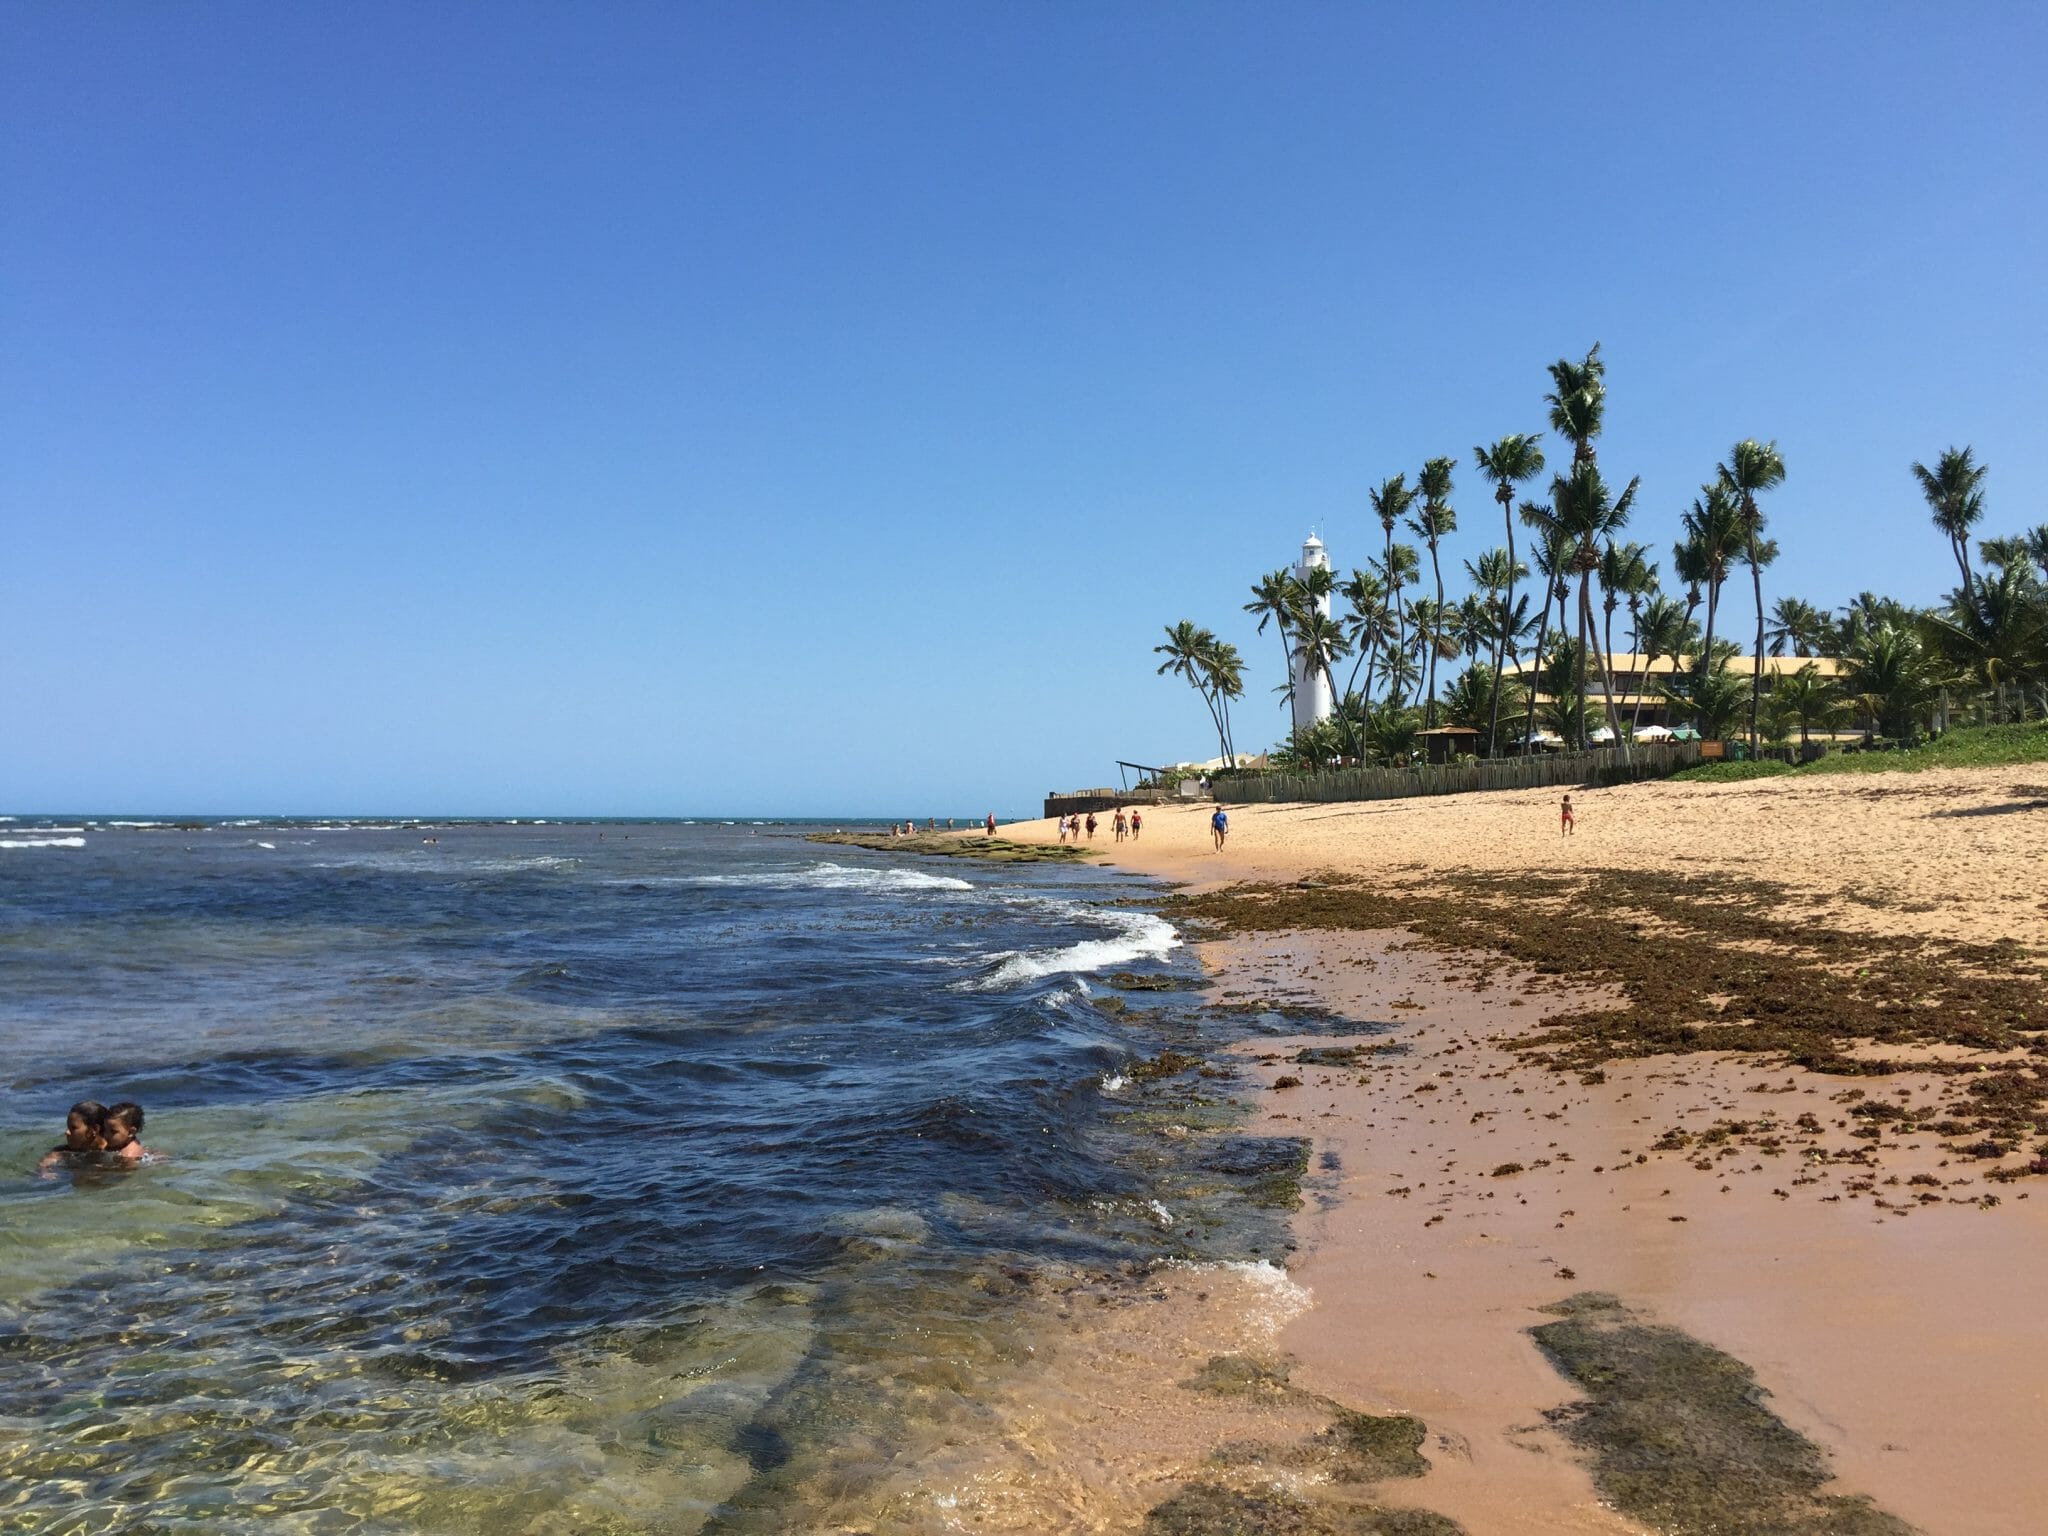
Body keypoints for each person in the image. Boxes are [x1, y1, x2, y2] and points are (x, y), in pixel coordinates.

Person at [37, 1100, 105, 1173]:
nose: (67, 1132)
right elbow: (44, 1164)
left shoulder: (112, 1151)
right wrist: (45, 1171)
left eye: (73, 1128)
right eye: (68, 1127)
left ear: (94, 1129)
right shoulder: (62, 1150)